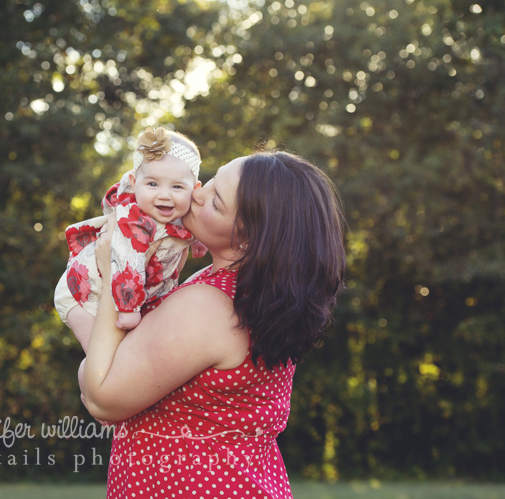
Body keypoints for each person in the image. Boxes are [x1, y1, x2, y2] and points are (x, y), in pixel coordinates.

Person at [82, 150, 346, 498]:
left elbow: (101, 399)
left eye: (216, 203)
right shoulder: (251, 296)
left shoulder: (209, 306)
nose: (196, 193)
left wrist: (115, 275)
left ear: (250, 239)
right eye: (209, 181)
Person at [54, 127, 206, 352]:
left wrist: (200, 237)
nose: (164, 194)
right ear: (135, 183)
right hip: (84, 295)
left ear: (194, 190)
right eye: (152, 184)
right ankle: (88, 387)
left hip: (129, 298)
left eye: (176, 186)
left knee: (125, 360)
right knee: (102, 357)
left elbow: (190, 222)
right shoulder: (133, 220)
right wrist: (128, 309)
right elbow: (127, 261)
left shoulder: (179, 212)